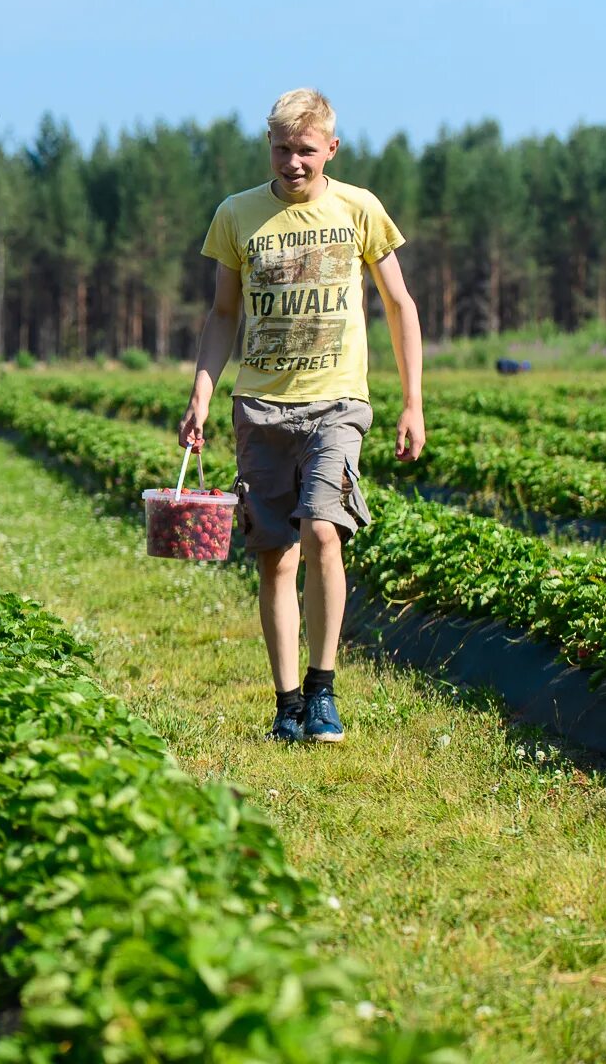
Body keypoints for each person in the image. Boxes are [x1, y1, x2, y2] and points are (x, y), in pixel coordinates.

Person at [178, 88, 425, 745]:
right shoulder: (237, 215)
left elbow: (400, 305)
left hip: (337, 402)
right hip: (259, 405)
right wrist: (201, 392)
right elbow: (223, 314)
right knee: (275, 558)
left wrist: (412, 402)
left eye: (306, 151)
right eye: (282, 149)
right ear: (269, 146)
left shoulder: (359, 209)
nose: (293, 162)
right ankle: (287, 704)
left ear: (330, 150)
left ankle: (323, 691)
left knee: (322, 532)